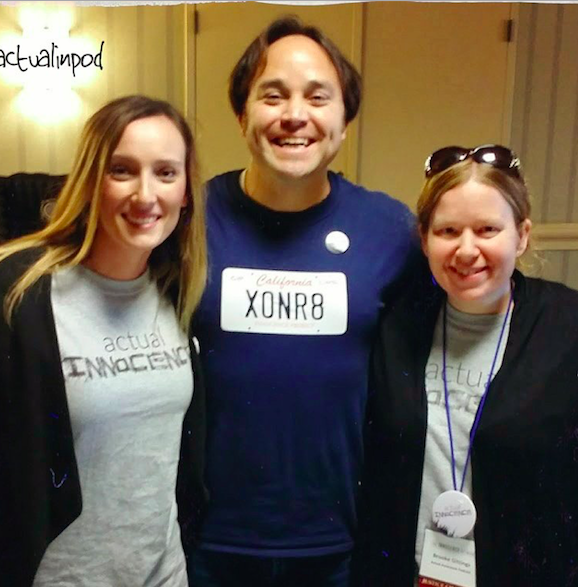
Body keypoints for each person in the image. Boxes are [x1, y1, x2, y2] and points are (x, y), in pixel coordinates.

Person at [187, 16, 418, 587]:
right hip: (206, 544)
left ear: (344, 120)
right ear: (242, 115)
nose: (295, 115)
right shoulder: (187, 222)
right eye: (273, 96)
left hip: (339, 545)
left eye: (318, 97)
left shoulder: (390, 230)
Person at [0, 95, 208, 587]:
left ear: (186, 192)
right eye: (122, 170)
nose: (145, 195)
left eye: (166, 173)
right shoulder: (18, 292)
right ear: (91, 181)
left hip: (164, 573)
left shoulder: (178, 292)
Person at [358, 145, 578, 586]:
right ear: (424, 239)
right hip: (404, 573)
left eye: (487, 229)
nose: (466, 249)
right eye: (448, 231)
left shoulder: (566, 326)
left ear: (522, 235)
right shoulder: (393, 324)